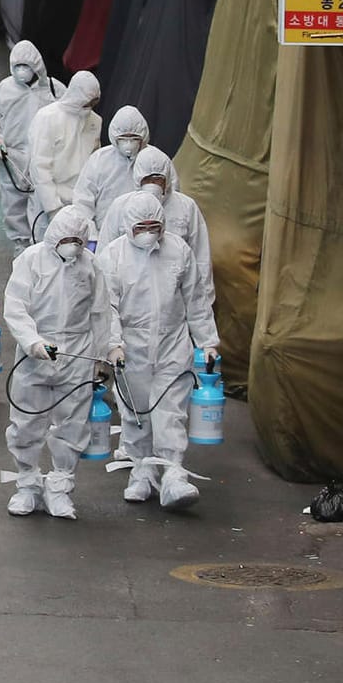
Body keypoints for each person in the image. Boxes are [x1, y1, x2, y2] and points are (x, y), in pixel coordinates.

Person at [99, 198, 220, 511]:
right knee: (136, 411)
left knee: (170, 410)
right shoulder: (113, 256)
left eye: (155, 227)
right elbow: (106, 307)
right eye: (142, 228)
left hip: (172, 342)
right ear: (128, 227)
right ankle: (142, 470)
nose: (149, 233)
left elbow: (196, 299)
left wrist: (206, 341)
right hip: (131, 346)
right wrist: (113, 343)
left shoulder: (178, 250)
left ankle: (174, 473)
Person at [0, 205, 118, 520]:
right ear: (54, 235)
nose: (73, 245)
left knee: (73, 423)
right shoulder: (31, 260)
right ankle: (26, 484)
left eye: (79, 240)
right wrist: (33, 342)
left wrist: (102, 355)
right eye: (68, 238)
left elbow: (100, 313)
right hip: (37, 352)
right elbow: (15, 307)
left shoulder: (90, 266)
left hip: (77, 352)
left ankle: (61, 487)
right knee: (26, 421)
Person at [98, 146, 214, 310]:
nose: (152, 184)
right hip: (130, 297)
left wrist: (204, 303)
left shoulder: (186, 207)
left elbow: (201, 255)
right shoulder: (120, 206)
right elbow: (105, 251)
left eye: (157, 179)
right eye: (147, 179)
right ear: (137, 178)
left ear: (167, 178)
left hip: (174, 299)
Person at [0, 40, 63, 249]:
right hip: (12, 157)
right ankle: (21, 246)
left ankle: (41, 245)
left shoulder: (53, 88)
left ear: (37, 66)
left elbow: (69, 116)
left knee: (44, 201)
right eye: (17, 66)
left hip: (45, 156)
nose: (22, 71)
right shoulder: (4, 89)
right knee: (13, 204)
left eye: (26, 66)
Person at [25, 70, 103, 242]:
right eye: (87, 101)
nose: (90, 106)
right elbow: (40, 166)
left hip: (81, 202)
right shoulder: (48, 118)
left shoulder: (94, 121)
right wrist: (53, 208)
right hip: (50, 200)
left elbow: (95, 163)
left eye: (94, 102)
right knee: (45, 253)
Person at [73, 105, 149, 232]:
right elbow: (83, 200)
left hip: (143, 234)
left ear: (143, 136)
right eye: (124, 138)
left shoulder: (154, 160)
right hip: (104, 233)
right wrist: (91, 234)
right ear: (115, 136)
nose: (129, 144)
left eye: (134, 138)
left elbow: (169, 197)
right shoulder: (99, 160)